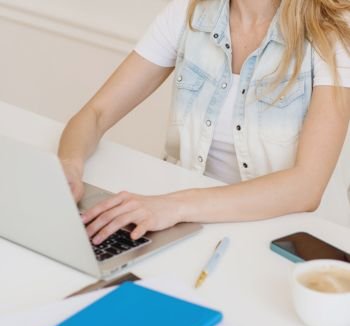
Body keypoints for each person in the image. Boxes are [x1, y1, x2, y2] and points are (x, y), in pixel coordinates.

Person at [58, 0, 350, 245]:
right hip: (198, 226)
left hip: (299, 239)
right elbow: (95, 114)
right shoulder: (189, 13)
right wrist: (69, 164)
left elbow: (306, 188)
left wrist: (174, 206)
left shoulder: (333, 32)